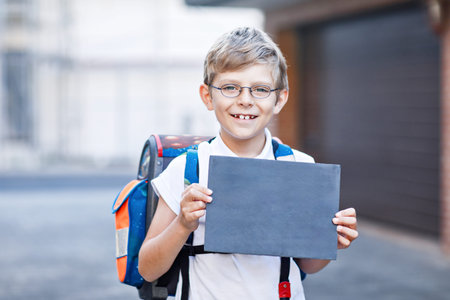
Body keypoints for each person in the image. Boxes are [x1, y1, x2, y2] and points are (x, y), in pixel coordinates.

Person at [138, 27, 358, 300]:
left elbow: (308, 265)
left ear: (279, 99)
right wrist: (182, 224)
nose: (245, 100)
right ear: (208, 96)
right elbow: (147, 269)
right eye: (230, 87)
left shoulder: (299, 166)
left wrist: (331, 241)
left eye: (260, 89)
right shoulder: (186, 169)